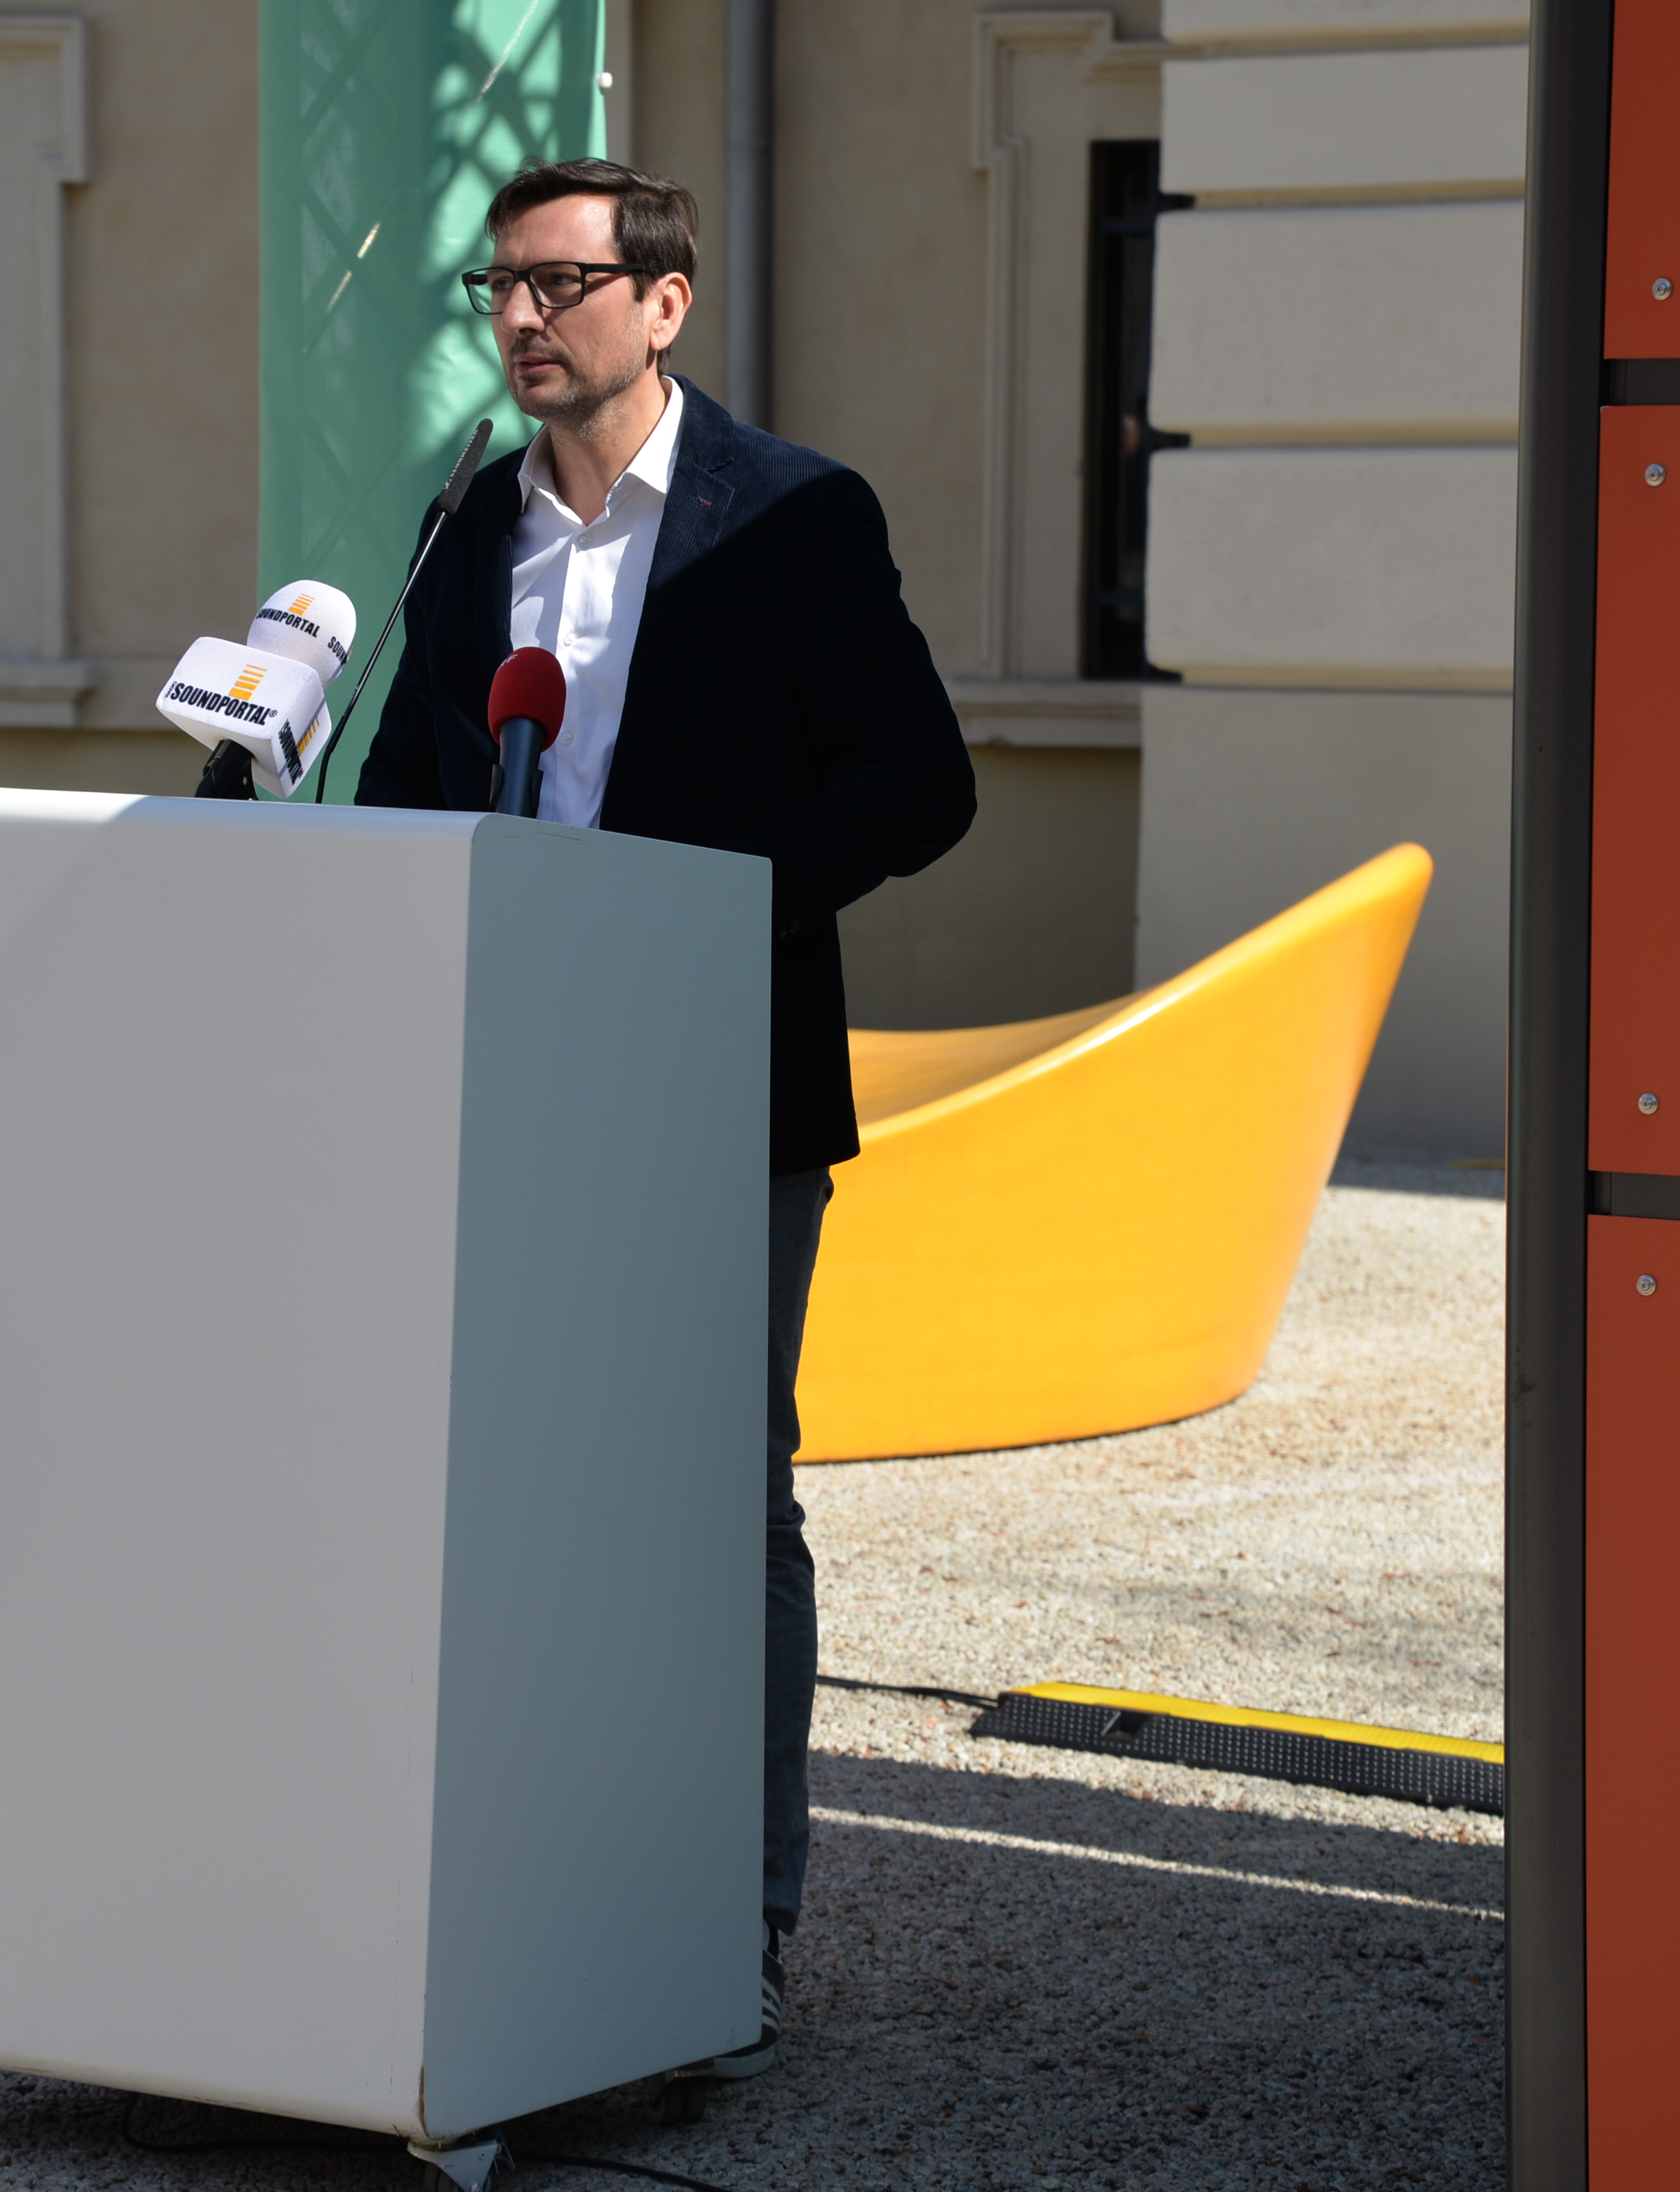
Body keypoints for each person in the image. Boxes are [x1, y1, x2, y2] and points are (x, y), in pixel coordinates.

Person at [356, 159, 976, 2078]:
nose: (523, 320)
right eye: (500, 289)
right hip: (500, 1087)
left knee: (713, 1502)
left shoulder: (791, 516)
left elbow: (919, 780)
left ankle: (735, 1920)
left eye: (561, 285)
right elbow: (403, 789)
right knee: (494, 1489)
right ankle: (520, 1888)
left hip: (716, 1074)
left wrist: (704, 909)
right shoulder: (465, 525)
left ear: (666, 302)